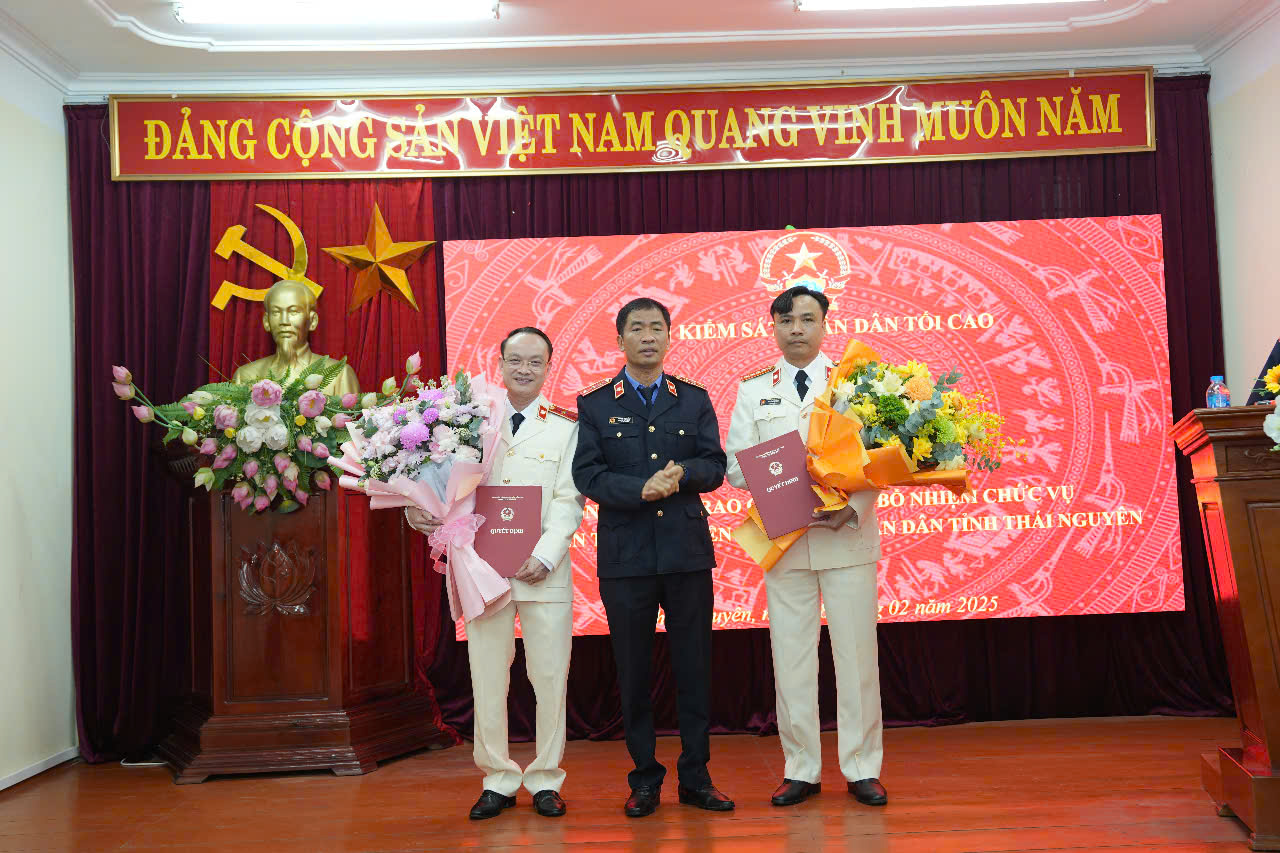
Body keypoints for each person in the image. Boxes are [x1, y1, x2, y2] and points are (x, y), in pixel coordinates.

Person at [405, 327, 585, 821]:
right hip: (480, 570)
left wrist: (546, 555)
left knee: (550, 676)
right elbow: (436, 485)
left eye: (535, 361)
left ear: (548, 367)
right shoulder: (467, 421)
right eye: (515, 360)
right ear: (500, 364)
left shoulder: (566, 427)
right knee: (487, 676)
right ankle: (498, 778)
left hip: (543, 572)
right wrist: (418, 511)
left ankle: (546, 778)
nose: (525, 369)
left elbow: (570, 499)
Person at [724, 285, 888, 808]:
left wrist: (853, 507)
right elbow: (734, 468)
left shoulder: (855, 383)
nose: (796, 328)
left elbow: (883, 457)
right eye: (786, 320)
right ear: (772, 327)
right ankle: (801, 768)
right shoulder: (754, 389)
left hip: (847, 536)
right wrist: (782, 479)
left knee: (856, 658)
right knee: (791, 658)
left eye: (807, 319)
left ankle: (862, 767)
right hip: (787, 539)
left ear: (824, 324)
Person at [571, 297, 733, 818]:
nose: (647, 336)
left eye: (656, 328)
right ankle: (644, 779)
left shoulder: (693, 399)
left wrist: (683, 474)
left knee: (694, 669)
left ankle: (696, 777)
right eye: (637, 329)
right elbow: (587, 475)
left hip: (687, 555)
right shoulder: (596, 404)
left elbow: (715, 465)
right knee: (634, 672)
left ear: (668, 337)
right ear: (620, 340)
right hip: (627, 559)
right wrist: (639, 489)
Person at [231, 279, 359, 396]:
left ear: (312, 321)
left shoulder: (340, 375)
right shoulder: (245, 376)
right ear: (266, 321)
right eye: (276, 312)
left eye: (293, 311)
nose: (284, 321)